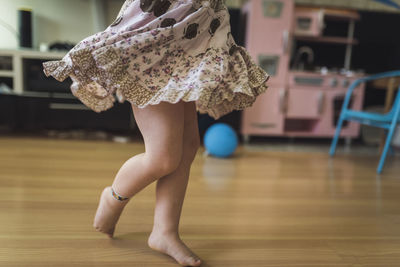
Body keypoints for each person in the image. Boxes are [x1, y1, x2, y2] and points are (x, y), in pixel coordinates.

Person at [42, 0, 269, 266]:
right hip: (157, 34)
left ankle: (165, 231)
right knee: (163, 156)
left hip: (197, 31)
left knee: (187, 146)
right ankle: (114, 196)